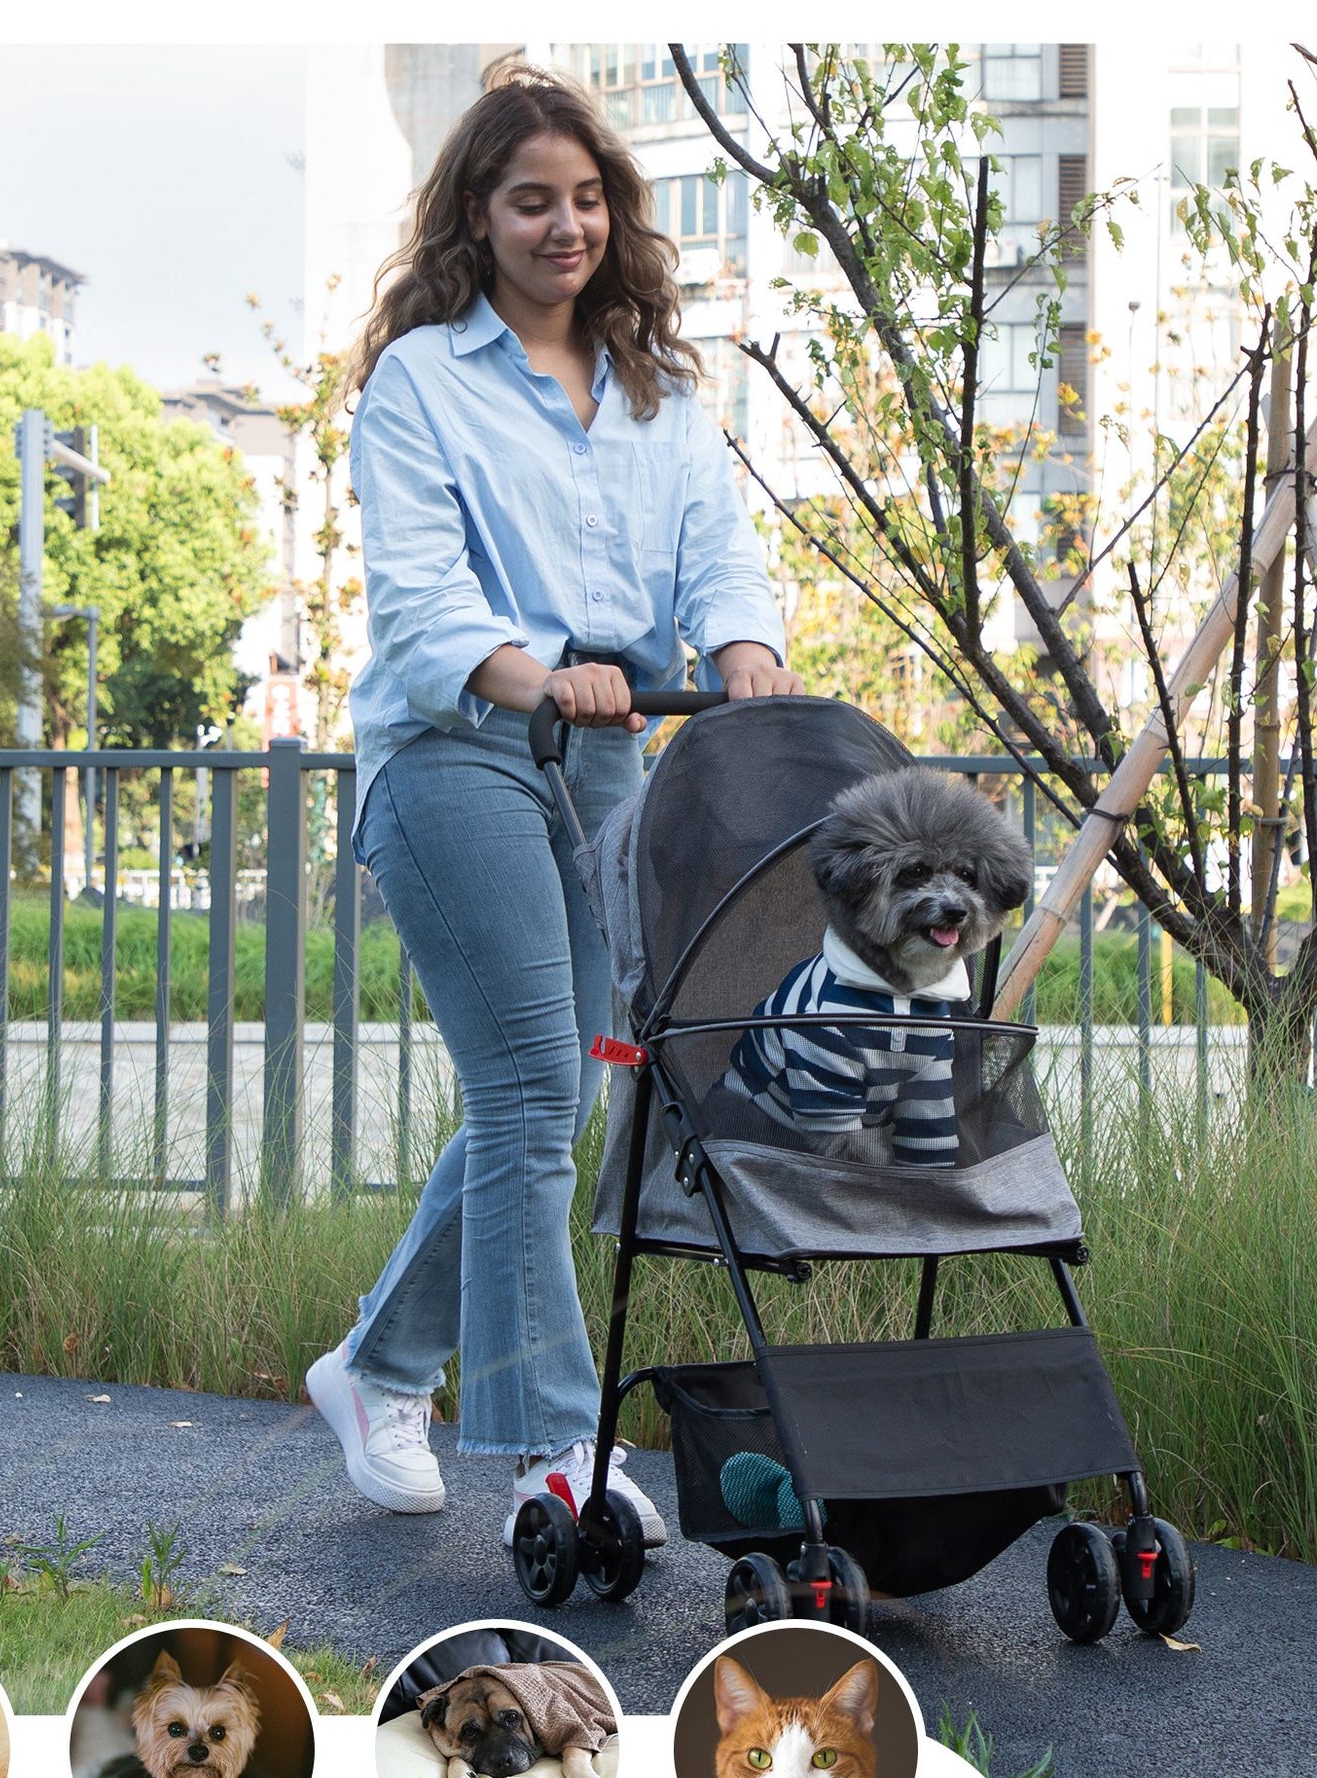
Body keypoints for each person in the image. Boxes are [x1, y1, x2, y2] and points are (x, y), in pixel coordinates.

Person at [304, 66, 802, 1546]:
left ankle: (379, 1364)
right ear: (478, 214)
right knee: (531, 1086)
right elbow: (418, 601)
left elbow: (716, 554)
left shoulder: (659, 390)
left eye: (586, 199)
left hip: (606, 762)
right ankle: (550, 1455)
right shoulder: (420, 382)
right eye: (531, 200)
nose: (563, 224)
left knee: (562, 1098)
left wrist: (748, 655)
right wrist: (537, 675)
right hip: (455, 746)